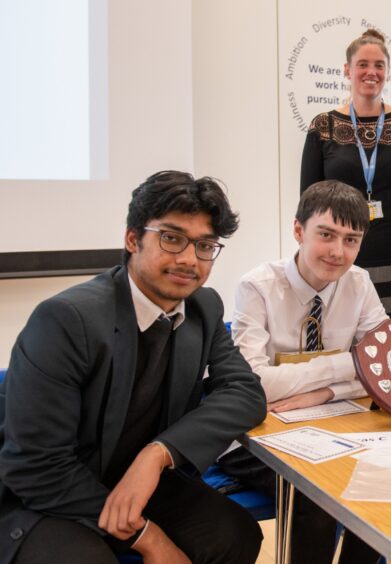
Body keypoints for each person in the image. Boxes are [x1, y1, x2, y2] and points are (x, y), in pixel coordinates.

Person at [0, 171, 267, 564]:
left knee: (235, 533)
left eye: (205, 245)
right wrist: (148, 536)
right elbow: (36, 466)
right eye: (172, 238)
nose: (189, 259)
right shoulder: (65, 319)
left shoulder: (203, 309)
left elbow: (246, 393)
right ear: (132, 239)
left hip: (141, 479)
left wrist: (158, 454)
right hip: (51, 495)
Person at [219, 180, 387, 563]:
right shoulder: (257, 287)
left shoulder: (359, 283)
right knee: (320, 495)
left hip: (332, 423)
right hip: (255, 435)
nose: (337, 252)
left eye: (351, 240)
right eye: (325, 235)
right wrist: (349, 364)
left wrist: (323, 393)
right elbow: (256, 385)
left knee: (381, 483)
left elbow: (385, 369)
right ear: (298, 230)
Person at [300, 30, 391, 331]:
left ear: (387, 73)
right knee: (348, 358)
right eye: (362, 64)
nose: (371, 72)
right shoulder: (322, 127)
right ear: (347, 70)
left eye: (378, 65)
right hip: (341, 262)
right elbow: (307, 207)